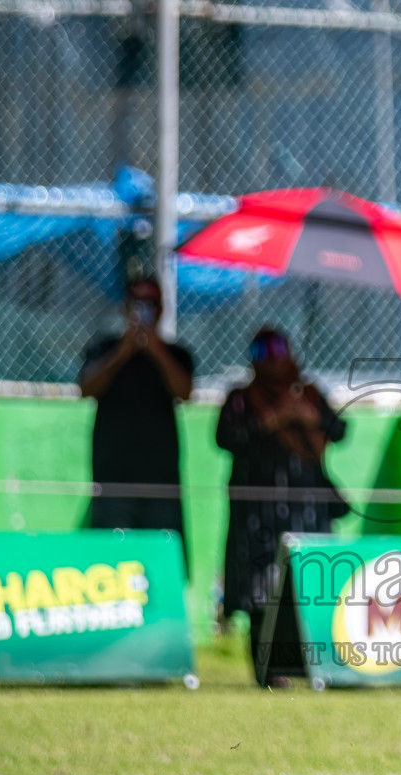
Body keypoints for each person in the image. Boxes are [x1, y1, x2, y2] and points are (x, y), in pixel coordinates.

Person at [216, 327, 348, 687]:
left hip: (307, 511)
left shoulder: (309, 393)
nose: (272, 358)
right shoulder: (242, 399)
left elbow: (339, 430)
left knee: (313, 586)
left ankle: (320, 665)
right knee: (261, 592)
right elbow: (226, 437)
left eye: (278, 349)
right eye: (263, 351)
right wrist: (274, 418)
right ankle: (269, 670)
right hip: (257, 516)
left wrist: (306, 416)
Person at [79, 269, 195, 542]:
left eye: (151, 303)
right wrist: (123, 351)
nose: (145, 309)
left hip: (162, 481)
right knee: (112, 555)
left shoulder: (176, 353)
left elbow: (184, 392)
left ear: (162, 308)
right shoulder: (105, 348)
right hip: (113, 478)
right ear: (126, 307)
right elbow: (86, 389)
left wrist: (155, 349)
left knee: (162, 550)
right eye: (138, 302)